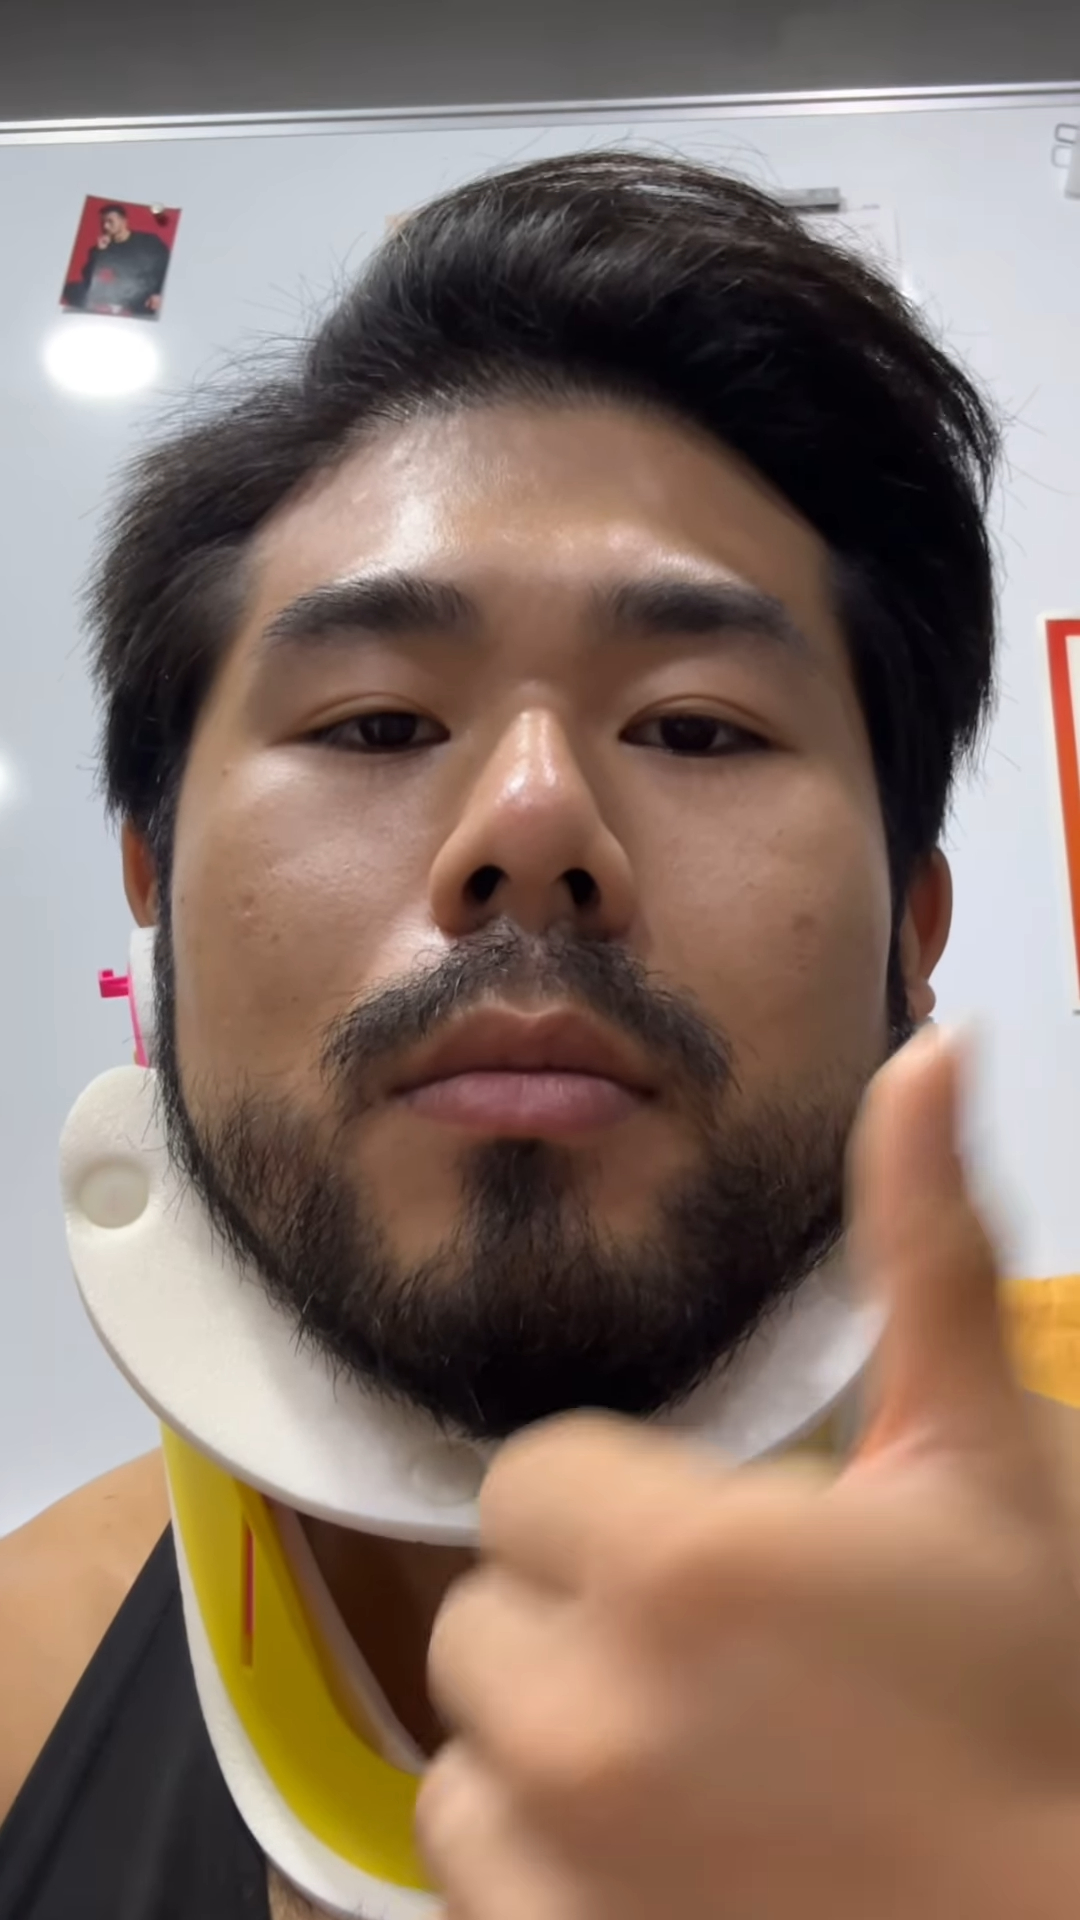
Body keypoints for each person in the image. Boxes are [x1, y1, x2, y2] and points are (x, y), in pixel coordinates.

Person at [4, 149, 1080, 1919]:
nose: (531, 822)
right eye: (372, 724)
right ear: (152, 890)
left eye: (699, 727)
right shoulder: (20, 1686)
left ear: (913, 931)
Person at [62, 202, 170, 318]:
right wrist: (100, 251)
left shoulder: (148, 241)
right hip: (119, 293)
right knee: (71, 288)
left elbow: (167, 266)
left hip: (146, 295)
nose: (105, 226)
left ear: (124, 221)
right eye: (103, 222)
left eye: (110, 221)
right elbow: (89, 280)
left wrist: (159, 293)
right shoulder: (101, 248)